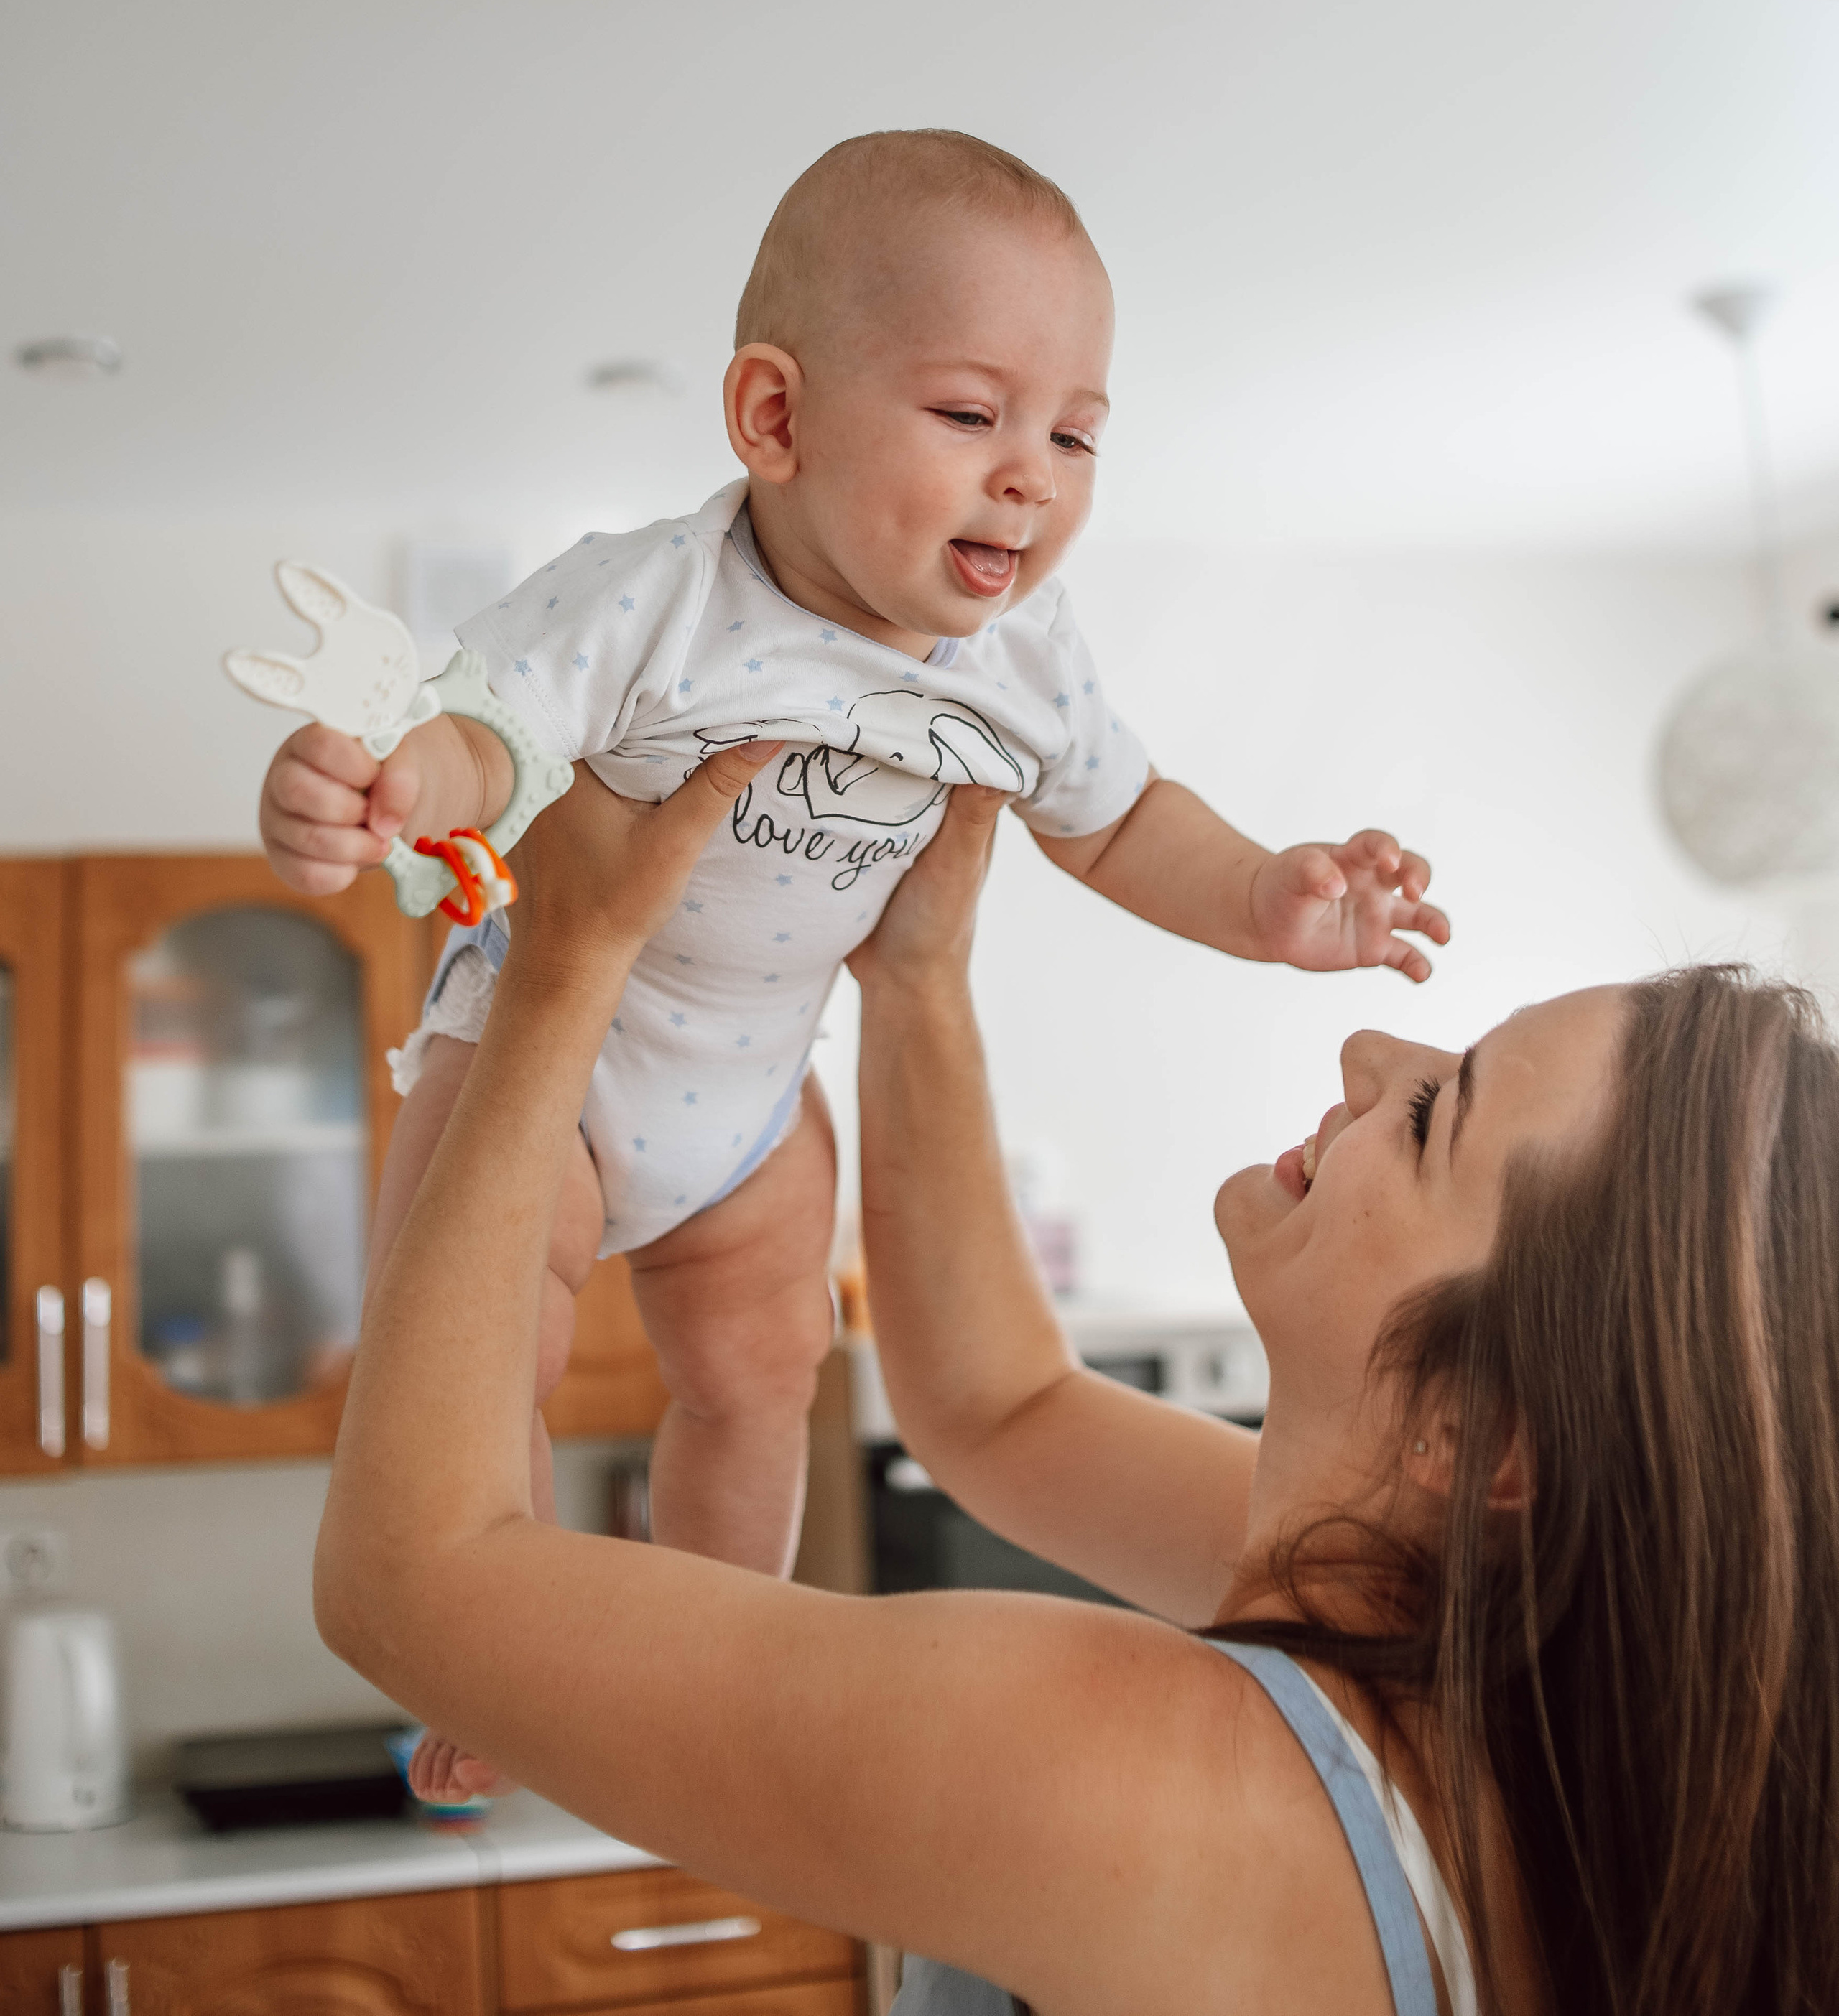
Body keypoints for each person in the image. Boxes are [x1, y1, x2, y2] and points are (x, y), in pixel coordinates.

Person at [268, 129, 1447, 1793]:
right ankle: (507, 1657)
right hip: (556, 1054)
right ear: (773, 419)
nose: (1028, 473)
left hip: (755, 1084)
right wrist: (396, 788)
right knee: (488, 1345)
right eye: (970, 416)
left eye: (1074, 435)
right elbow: (490, 735)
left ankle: (690, 1661)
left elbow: (1117, 824)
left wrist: (1269, 898)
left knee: (760, 1385)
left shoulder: (1018, 657)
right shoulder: (655, 604)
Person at [318, 751, 1839, 2016]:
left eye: (1437, 1117)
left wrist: (555, 972)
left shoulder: (1156, 1783)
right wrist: (916, 977)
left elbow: (412, 1579)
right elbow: (998, 1410)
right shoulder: (1473, 1679)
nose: (1374, 1044)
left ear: (1477, 1430)